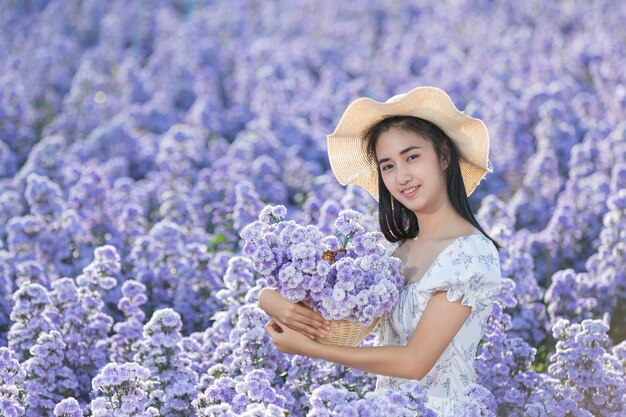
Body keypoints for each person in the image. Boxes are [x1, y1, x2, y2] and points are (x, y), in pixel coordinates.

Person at [260, 86, 503, 416]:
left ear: (444, 156)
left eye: (412, 157)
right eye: (387, 166)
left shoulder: (472, 255)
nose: (401, 176)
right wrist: (270, 299)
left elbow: (415, 362)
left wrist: (310, 350)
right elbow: (328, 301)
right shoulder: (394, 250)